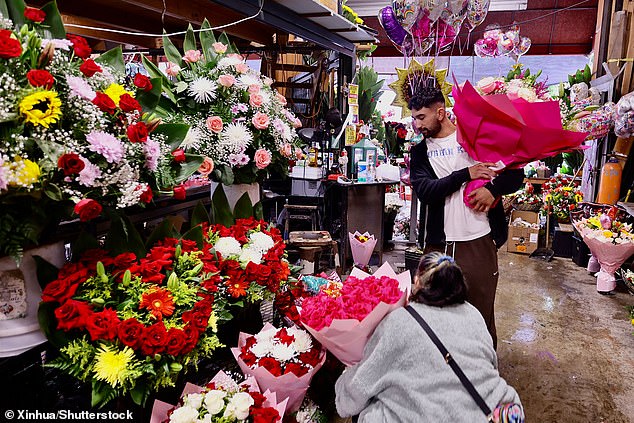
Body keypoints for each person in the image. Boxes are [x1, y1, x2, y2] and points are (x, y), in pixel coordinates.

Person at [335, 252, 523, 422]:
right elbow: (490, 365)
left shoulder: (400, 320)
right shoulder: (474, 314)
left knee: (369, 407)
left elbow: (358, 388)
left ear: (417, 281)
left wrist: (344, 381)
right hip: (494, 413)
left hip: (433, 416)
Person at [408, 85, 524, 347]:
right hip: (438, 244)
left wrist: (492, 190)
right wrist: (465, 175)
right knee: (435, 317)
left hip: (478, 241)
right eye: (414, 118)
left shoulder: (476, 138)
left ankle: (481, 378)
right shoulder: (420, 153)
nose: (417, 125)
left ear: (441, 112)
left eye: (421, 117)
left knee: (480, 315)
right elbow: (426, 191)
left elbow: (516, 174)